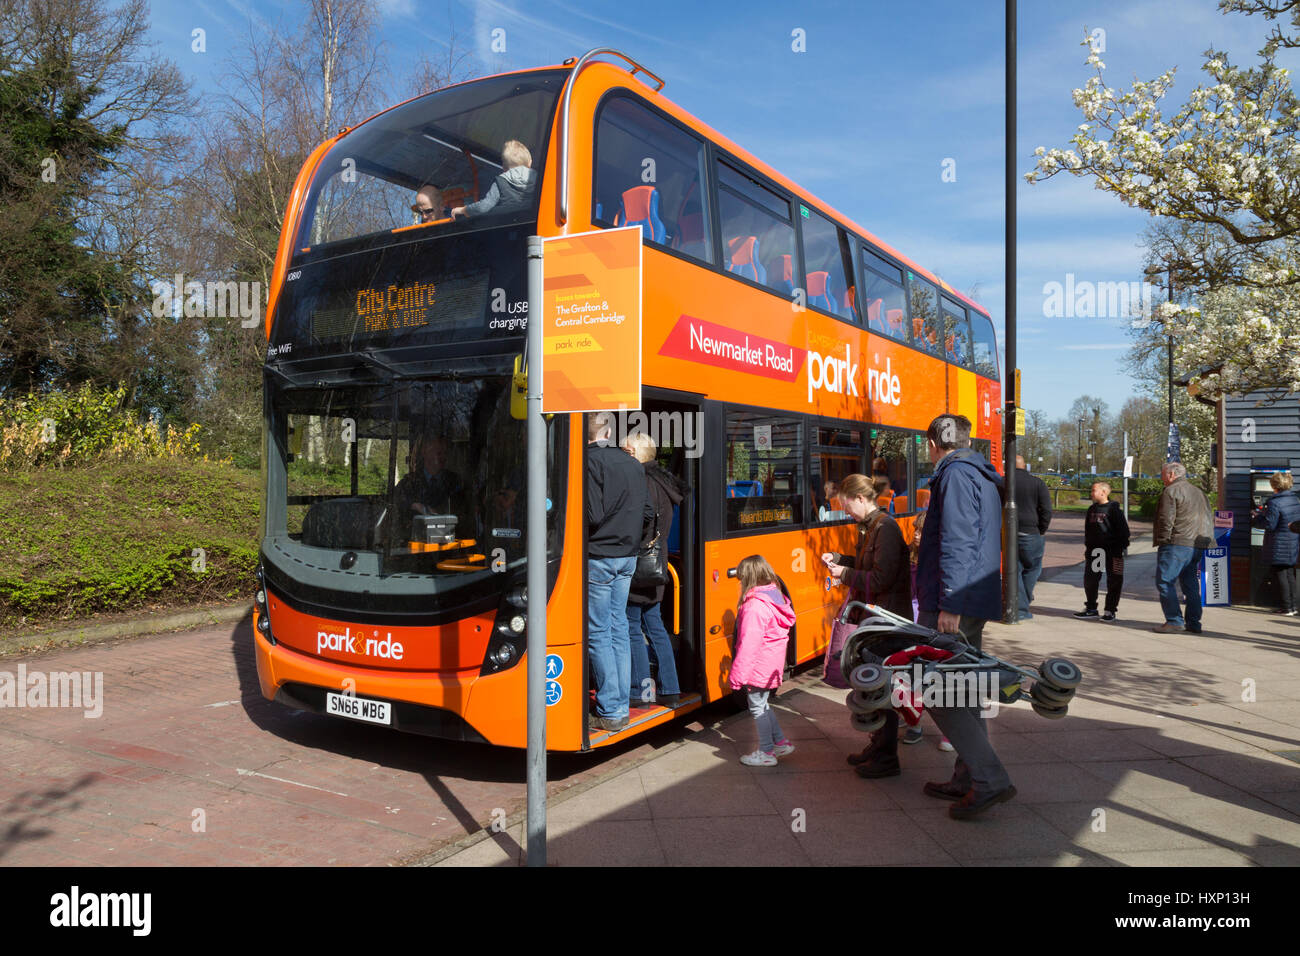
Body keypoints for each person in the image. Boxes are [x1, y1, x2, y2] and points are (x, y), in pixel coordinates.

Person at [914, 413, 1015, 819]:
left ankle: (989, 779)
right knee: (965, 688)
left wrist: (950, 604)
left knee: (934, 684)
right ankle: (969, 776)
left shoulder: (954, 474)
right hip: (975, 595)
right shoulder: (979, 472)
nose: (927, 450)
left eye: (927, 442)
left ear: (936, 440)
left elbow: (957, 541)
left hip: (956, 602)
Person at [822, 474, 915, 774]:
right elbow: (869, 567)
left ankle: (887, 757)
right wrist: (840, 559)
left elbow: (880, 579)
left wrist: (843, 574)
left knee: (882, 684)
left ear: (861, 499)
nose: (846, 513)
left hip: (885, 622)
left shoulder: (884, 529)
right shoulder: (872, 526)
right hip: (878, 619)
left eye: (847, 506)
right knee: (875, 683)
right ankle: (878, 747)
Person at [585, 412, 653, 733]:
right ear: (608, 431)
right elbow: (648, 512)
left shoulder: (589, 462)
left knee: (598, 633)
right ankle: (621, 705)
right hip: (627, 557)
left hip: (598, 556)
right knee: (619, 630)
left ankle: (610, 709)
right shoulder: (632, 464)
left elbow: (593, 514)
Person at [622, 431, 687, 707]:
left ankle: (639, 690)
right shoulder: (663, 483)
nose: (624, 454)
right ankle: (670, 689)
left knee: (632, 627)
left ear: (637, 454)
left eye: (627, 450)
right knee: (656, 626)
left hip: (639, 567)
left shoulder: (642, 482)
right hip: (656, 566)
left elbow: (639, 522)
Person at [729, 555, 797, 766]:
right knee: (763, 705)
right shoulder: (774, 597)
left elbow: (749, 645)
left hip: (758, 667)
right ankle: (780, 743)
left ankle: (767, 753)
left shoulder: (754, 607)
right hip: (770, 664)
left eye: (741, 578)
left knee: (757, 708)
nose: (740, 583)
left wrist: (737, 677)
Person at [1152, 461, 1214, 634]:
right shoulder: (1199, 492)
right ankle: (1194, 623)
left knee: (1165, 581)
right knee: (1190, 584)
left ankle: (1174, 621)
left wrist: (1164, 541)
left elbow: (1166, 519)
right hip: (1197, 544)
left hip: (1177, 544)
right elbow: (1208, 517)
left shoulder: (1171, 491)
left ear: (1172, 474)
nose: (1162, 477)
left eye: (1163, 474)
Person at [1074, 481, 1130, 621]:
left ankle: (1110, 610)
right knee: (1091, 580)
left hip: (1113, 551)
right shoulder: (1092, 509)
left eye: (1093, 490)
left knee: (1114, 580)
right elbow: (1088, 530)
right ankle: (1091, 608)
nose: (1091, 493)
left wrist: (1120, 548)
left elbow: (1124, 532)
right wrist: (1089, 547)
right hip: (1096, 552)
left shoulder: (1114, 510)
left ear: (1103, 492)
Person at [393, 435, 471, 531]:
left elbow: (464, 512)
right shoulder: (409, 482)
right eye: (439, 453)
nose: (443, 457)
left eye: (445, 453)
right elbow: (394, 501)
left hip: (449, 539)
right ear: (425, 453)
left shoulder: (456, 481)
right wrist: (415, 505)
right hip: (417, 541)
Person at [1251, 471, 1300, 617]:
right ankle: (1292, 607)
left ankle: (1286, 607)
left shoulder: (1274, 502)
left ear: (1274, 485)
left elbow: (1270, 524)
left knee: (1280, 575)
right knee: (1289, 574)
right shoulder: (1294, 499)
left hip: (1278, 543)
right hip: (1292, 542)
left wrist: (1255, 518)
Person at [1012, 455, 1053, 619]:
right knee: (1033, 568)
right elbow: (1047, 510)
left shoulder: (1002, 482)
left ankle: (1018, 606)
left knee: (1014, 570)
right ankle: (1022, 608)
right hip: (1031, 532)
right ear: (1025, 466)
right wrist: (1041, 529)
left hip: (1008, 532)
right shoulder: (1038, 483)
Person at [452, 140, 537, 218]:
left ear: (504, 168)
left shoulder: (501, 182)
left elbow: (483, 207)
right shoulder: (540, 179)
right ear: (530, 162)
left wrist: (463, 210)